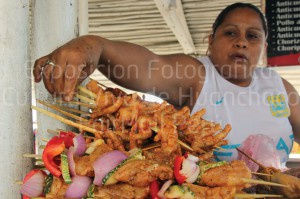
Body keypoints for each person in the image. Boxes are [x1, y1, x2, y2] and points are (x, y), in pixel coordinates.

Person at [33, 3, 300, 168]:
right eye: (230, 32)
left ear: (264, 47)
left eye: (252, 36)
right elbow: (150, 67)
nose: (241, 42)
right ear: (210, 40)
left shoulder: (279, 87)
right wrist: (96, 47)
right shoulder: (197, 75)